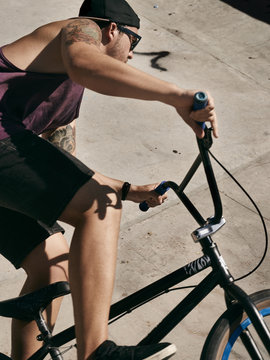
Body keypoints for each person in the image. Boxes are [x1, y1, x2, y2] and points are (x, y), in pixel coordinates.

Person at [0, 0, 218, 359]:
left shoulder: (66, 94)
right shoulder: (76, 30)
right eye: (134, 40)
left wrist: (128, 189)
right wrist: (177, 95)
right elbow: (87, 63)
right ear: (111, 30)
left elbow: (60, 167)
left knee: (53, 263)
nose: (132, 55)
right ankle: (96, 352)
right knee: (100, 206)